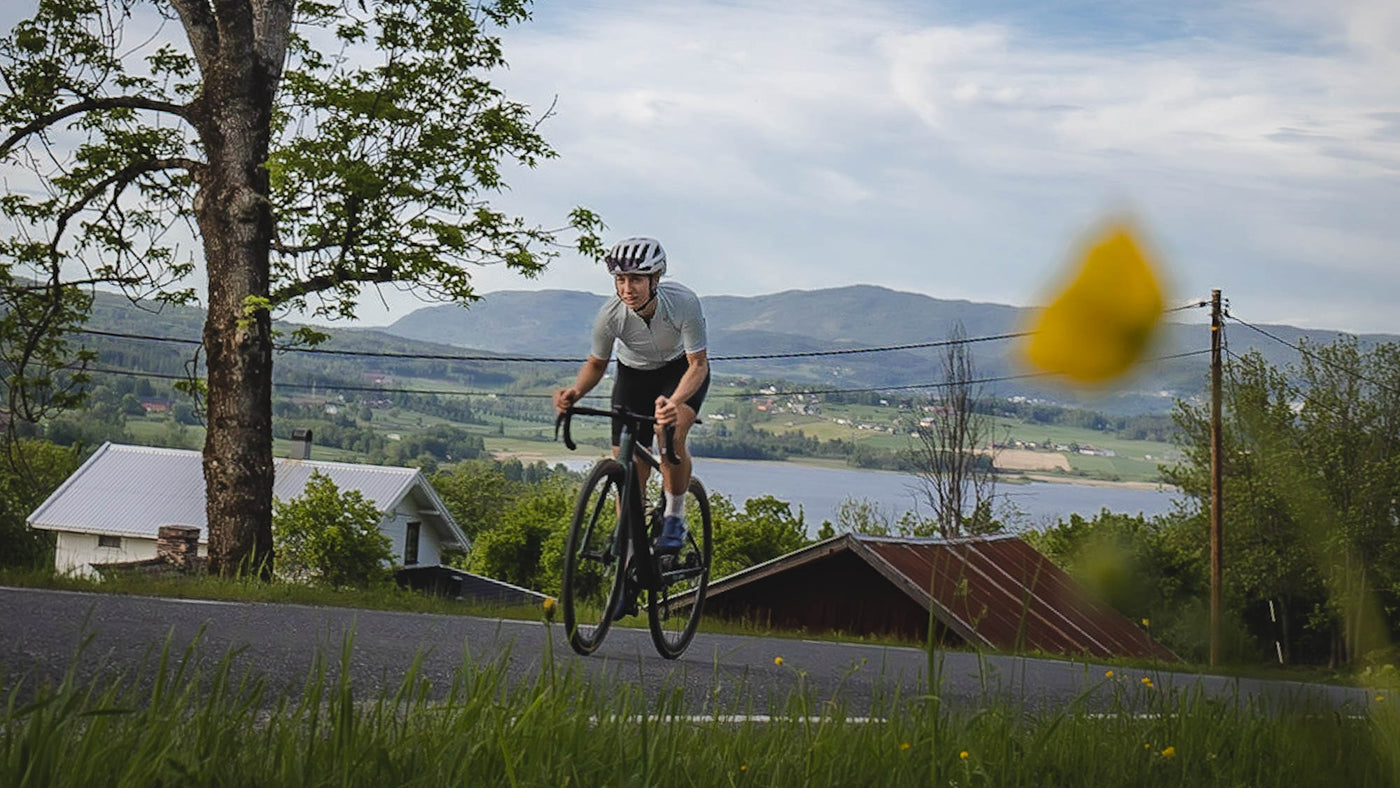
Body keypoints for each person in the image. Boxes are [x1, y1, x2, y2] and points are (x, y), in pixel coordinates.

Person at [553, 236, 710, 555]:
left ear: (655, 278)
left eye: (636, 279)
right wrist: (575, 392)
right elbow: (596, 365)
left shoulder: (684, 302)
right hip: (633, 376)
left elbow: (698, 364)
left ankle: (674, 516)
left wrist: (673, 402)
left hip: (679, 371)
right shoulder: (610, 315)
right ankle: (627, 556)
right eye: (620, 279)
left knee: (669, 433)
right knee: (629, 469)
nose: (627, 288)